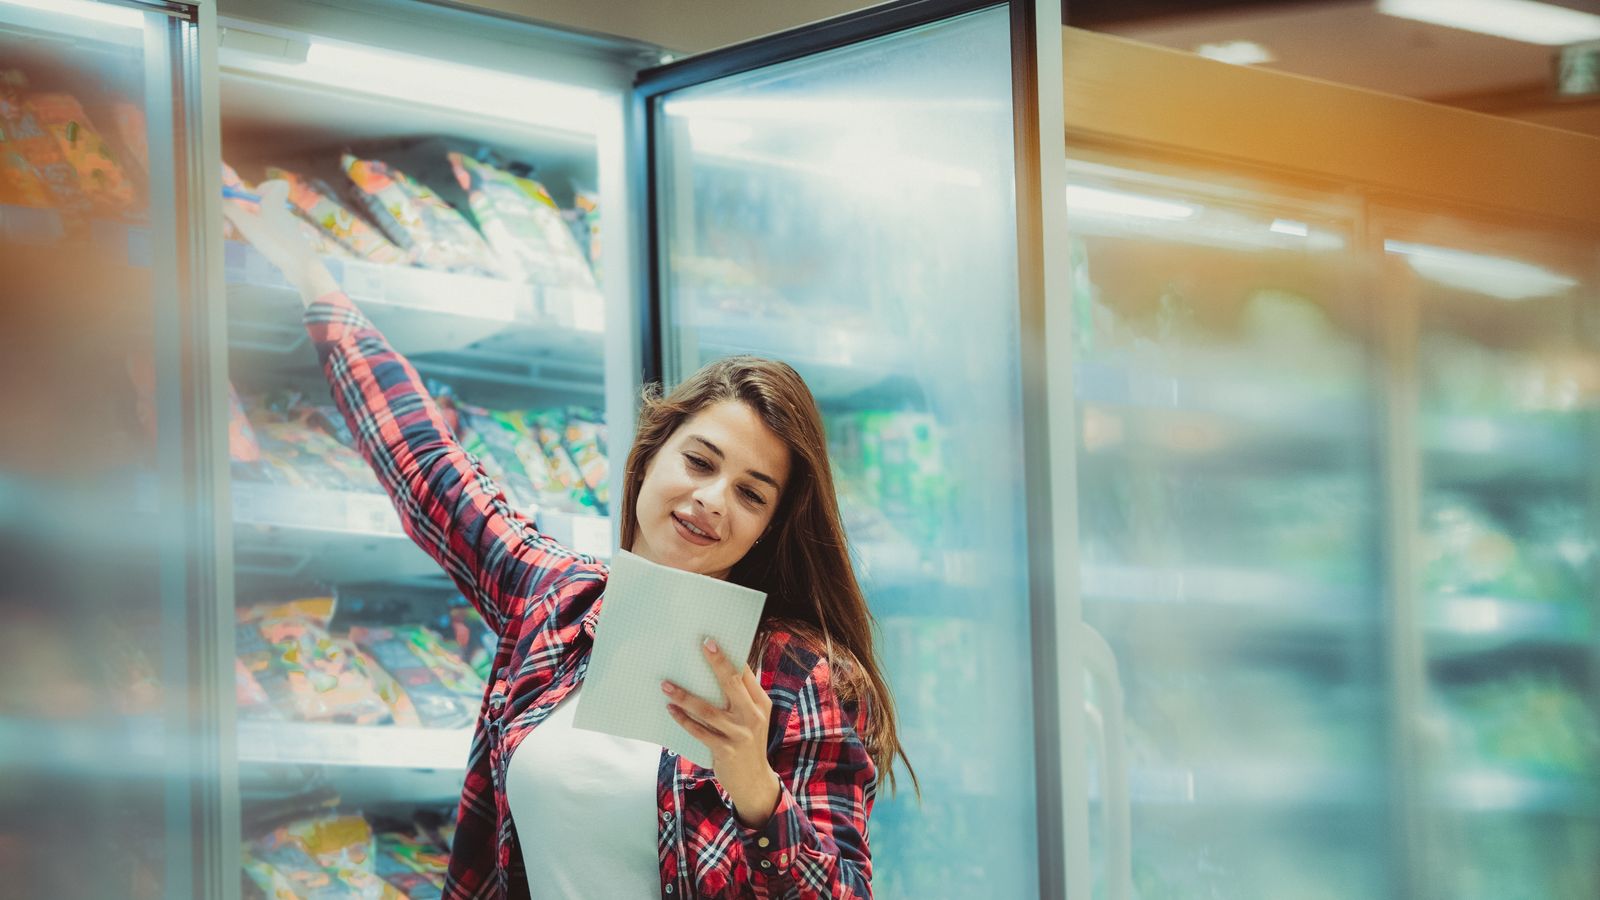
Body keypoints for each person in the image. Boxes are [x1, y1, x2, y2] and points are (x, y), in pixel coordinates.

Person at [225, 182, 915, 899]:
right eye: (699, 461)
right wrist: (313, 278)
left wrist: (758, 792)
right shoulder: (553, 600)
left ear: (771, 525)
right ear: (649, 458)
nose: (712, 500)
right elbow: (426, 462)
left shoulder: (803, 677)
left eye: (750, 493)